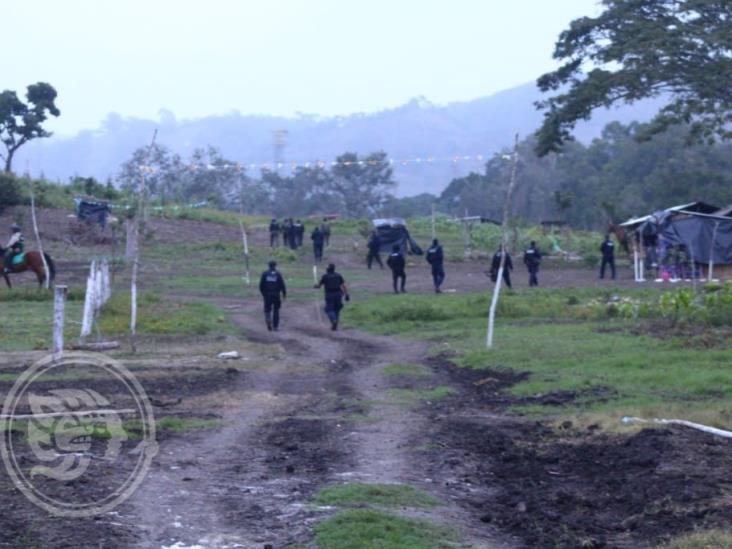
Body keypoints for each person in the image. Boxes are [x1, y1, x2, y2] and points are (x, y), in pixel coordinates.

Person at [315, 263, 350, 331]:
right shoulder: (338, 275)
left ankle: (334, 321)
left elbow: (319, 286)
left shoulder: (325, 276)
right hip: (338, 294)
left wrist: (315, 286)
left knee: (329, 309)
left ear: (328, 269)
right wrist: (346, 294)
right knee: (337, 309)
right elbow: (343, 286)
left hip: (330, 295)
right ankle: (335, 324)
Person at [259, 260, 287, 331]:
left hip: (267, 295)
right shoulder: (278, 274)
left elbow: (261, 285)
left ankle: (268, 319)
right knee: (276, 311)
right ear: (275, 266)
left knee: (267, 309)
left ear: (268, 266)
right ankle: (275, 326)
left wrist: (263, 294)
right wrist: (284, 294)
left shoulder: (265, 274)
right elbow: (282, 285)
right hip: (276, 295)